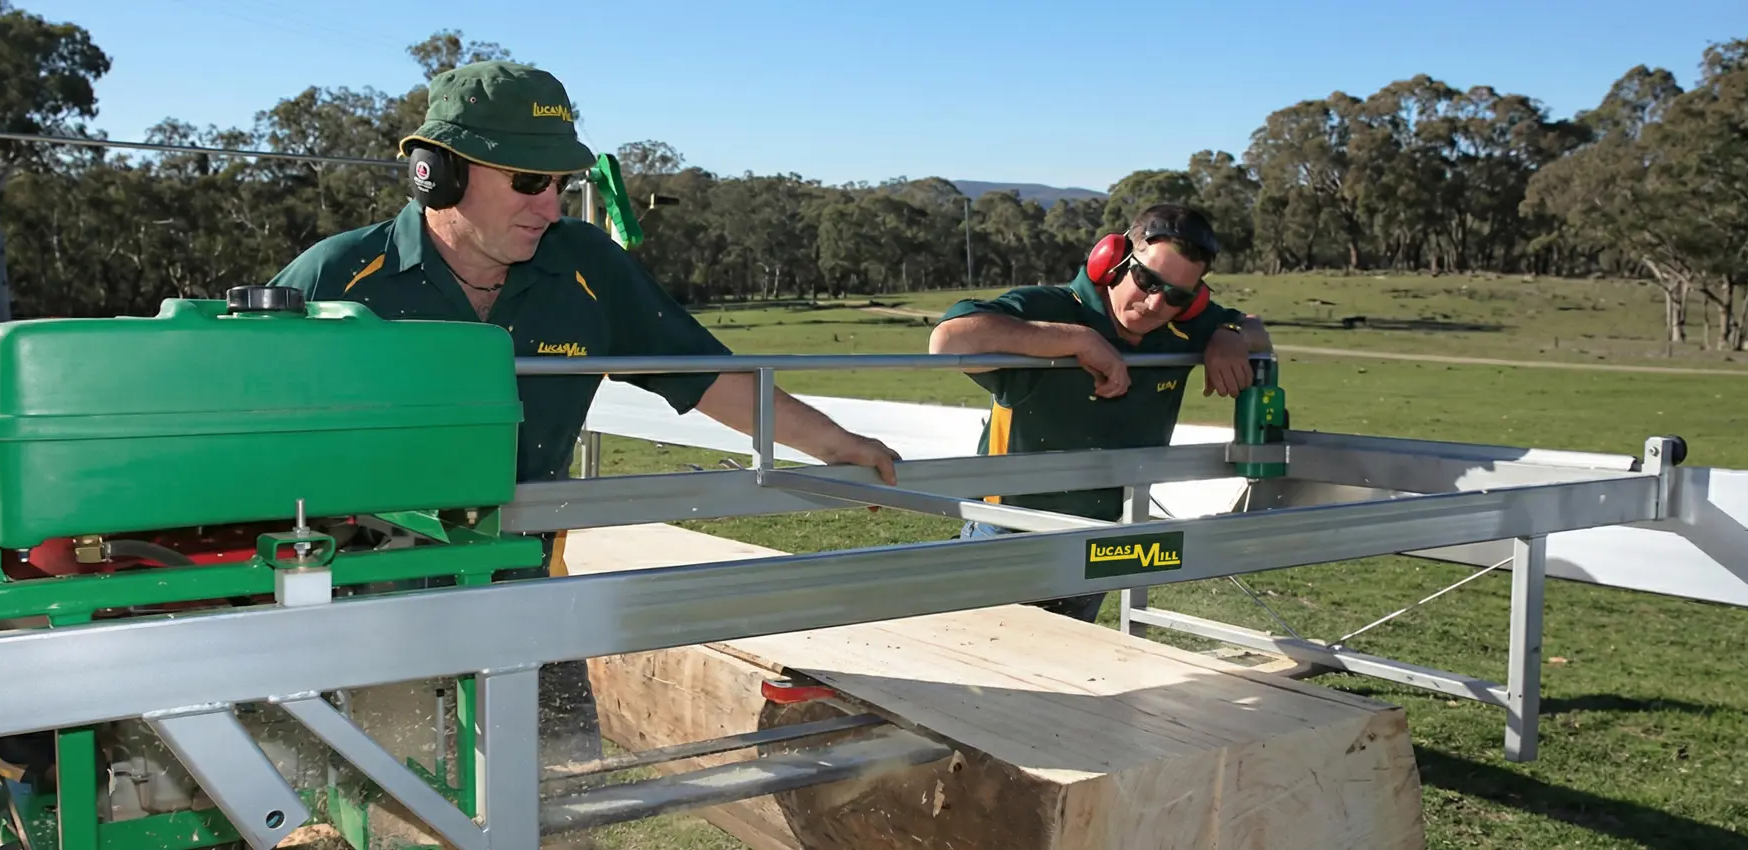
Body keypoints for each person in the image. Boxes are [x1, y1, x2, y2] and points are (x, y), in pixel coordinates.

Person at [264, 60, 903, 771]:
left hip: (527, 605)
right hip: (370, 618)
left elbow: (707, 375)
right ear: (436, 174)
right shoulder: (337, 281)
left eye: (560, 185)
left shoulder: (585, 268)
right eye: (528, 182)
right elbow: (231, 425)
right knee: (387, 803)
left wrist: (834, 444)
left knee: (567, 796)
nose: (550, 207)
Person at [927, 203, 1272, 623]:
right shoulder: (1050, 308)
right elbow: (947, 341)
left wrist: (1230, 334)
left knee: (1068, 660)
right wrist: (1076, 340)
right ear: (1113, 259)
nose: (1155, 303)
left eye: (1178, 296)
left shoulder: (1183, 324)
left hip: (1099, 539)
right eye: (1146, 280)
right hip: (1005, 532)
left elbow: (1254, 329)